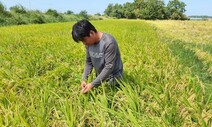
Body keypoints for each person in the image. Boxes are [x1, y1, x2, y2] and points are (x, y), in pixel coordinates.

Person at [71, 19, 123, 94]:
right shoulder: (89, 44)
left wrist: (92, 84)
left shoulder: (109, 42)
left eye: (84, 40)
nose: (84, 44)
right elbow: (89, 62)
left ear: (91, 33)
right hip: (101, 79)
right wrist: (84, 79)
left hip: (114, 79)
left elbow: (109, 67)